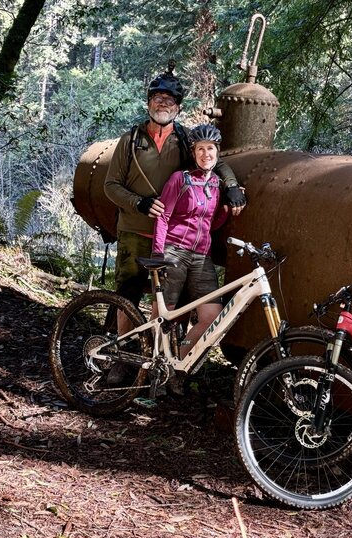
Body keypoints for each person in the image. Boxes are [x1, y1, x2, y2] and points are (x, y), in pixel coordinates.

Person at [103, 68, 247, 385]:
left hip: (173, 241)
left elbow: (212, 160)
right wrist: (138, 203)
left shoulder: (184, 139)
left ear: (178, 107)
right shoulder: (131, 141)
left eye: (169, 99)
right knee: (127, 294)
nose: (162, 103)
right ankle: (122, 358)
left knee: (174, 305)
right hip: (135, 230)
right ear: (148, 103)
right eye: (157, 98)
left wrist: (232, 185)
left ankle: (168, 366)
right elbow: (110, 186)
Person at [151, 124, 242, 377]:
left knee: (212, 316)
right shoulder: (180, 179)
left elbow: (211, 223)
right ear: (193, 153)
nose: (206, 154)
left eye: (210, 148)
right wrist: (159, 254)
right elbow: (163, 216)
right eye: (200, 149)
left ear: (217, 151)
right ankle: (155, 367)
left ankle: (178, 361)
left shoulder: (215, 184)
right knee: (164, 314)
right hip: (174, 251)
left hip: (202, 256)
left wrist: (226, 209)